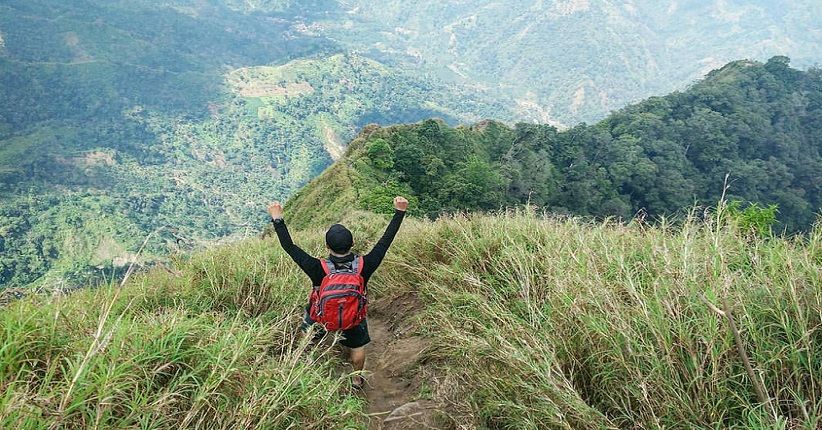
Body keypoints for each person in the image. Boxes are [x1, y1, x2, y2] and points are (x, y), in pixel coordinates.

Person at [267, 196, 408, 389]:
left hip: (320, 316)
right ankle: (356, 379)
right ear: (352, 244)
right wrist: (400, 212)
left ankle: (303, 364)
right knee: (357, 347)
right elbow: (385, 241)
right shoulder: (365, 265)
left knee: (306, 334)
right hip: (353, 316)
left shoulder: (317, 267)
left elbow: (289, 247)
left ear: (327, 247)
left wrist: (277, 218)